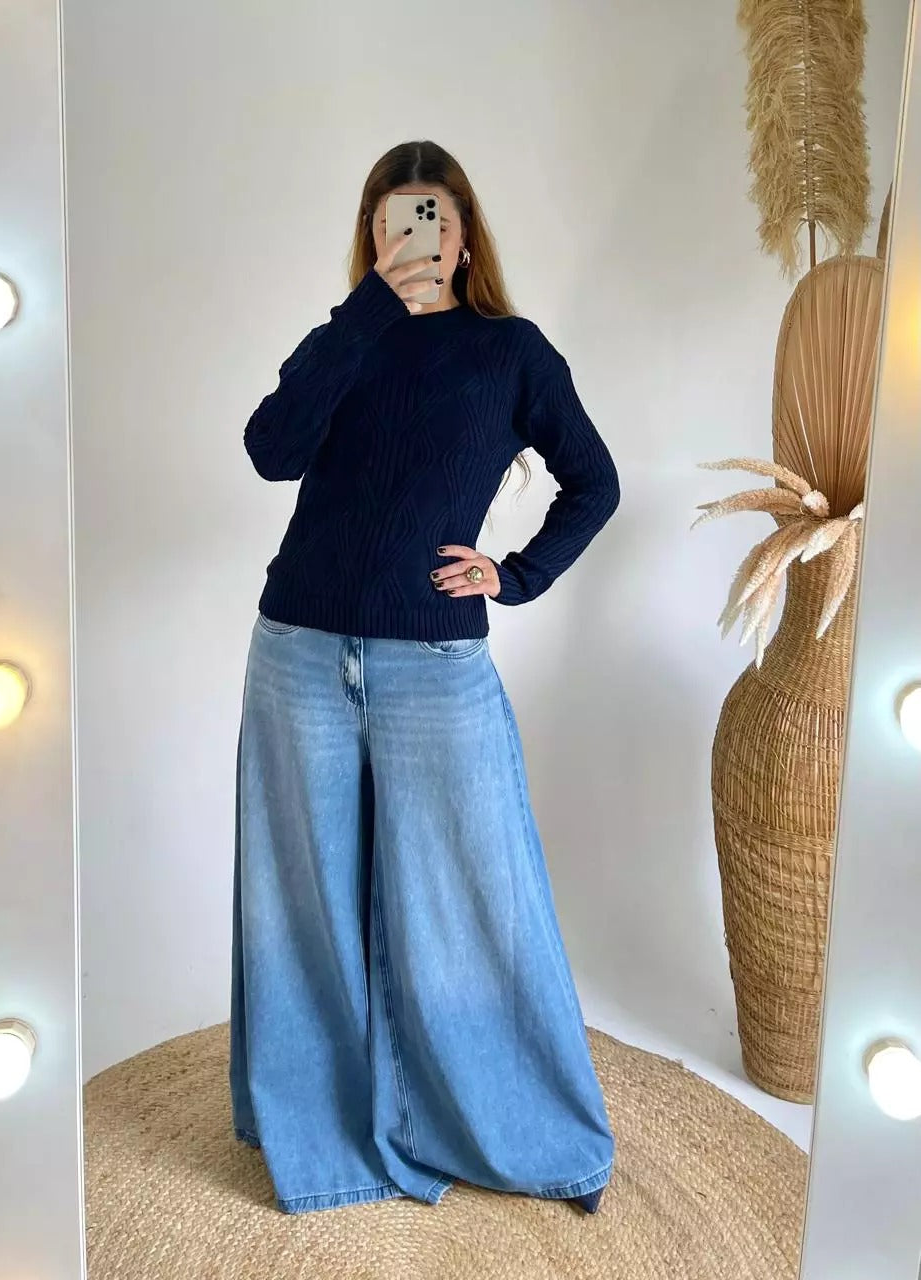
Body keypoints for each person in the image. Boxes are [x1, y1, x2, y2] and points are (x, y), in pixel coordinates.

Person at [229, 139, 619, 1217]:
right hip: (297, 652)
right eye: (396, 218)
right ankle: (326, 1144)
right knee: (302, 906)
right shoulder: (342, 341)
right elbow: (270, 450)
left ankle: (506, 1127)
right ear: (371, 235)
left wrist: (514, 573)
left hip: (435, 662)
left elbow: (594, 482)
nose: (418, 235)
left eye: (435, 215)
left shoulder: (511, 352)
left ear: (466, 234)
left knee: (472, 901)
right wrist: (364, 315)